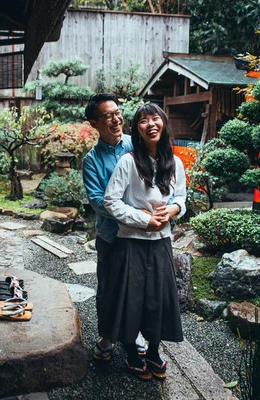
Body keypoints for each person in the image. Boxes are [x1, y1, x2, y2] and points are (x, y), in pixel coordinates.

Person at [102, 103, 187, 380]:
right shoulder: (128, 162)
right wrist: (143, 220)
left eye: (155, 118)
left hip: (161, 242)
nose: (150, 124)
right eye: (142, 121)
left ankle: (152, 351)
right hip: (131, 242)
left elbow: (181, 199)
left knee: (158, 299)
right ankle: (130, 351)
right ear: (136, 130)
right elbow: (110, 202)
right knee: (130, 298)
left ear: (163, 123)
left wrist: (173, 210)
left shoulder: (175, 162)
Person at [82, 94, 147, 361]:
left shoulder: (138, 146)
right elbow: (97, 200)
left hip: (141, 233)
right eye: (107, 116)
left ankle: (136, 331)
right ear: (94, 123)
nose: (116, 119)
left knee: (138, 286)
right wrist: (131, 215)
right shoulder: (92, 160)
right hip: (110, 234)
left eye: (117, 113)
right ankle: (107, 335)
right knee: (108, 285)